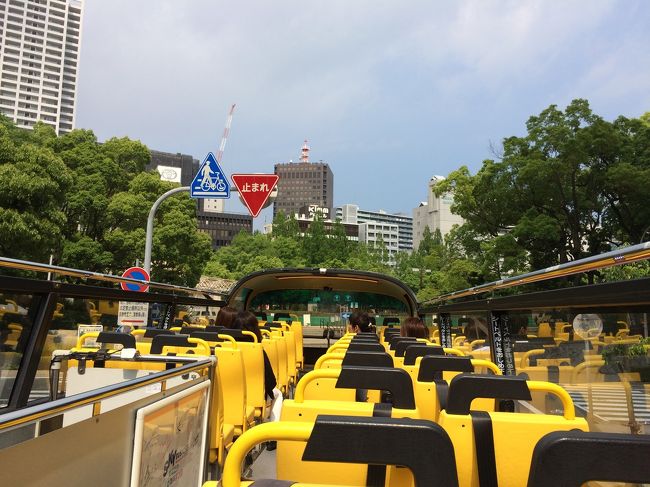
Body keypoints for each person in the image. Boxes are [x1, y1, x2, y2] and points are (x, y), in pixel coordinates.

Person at [230, 310, 277, 403]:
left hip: (229, 401)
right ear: (255, 330)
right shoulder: (258, 352)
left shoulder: (224, 349)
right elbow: (271, 383)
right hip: (254, 402)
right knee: (278, 395)